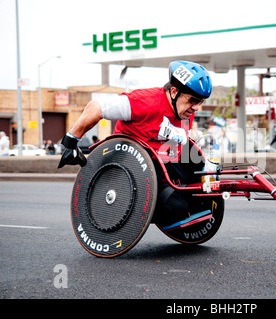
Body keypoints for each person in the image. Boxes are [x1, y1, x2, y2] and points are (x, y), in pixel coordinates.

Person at [57, 60, 212, 224]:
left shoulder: (185, 111)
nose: (196, 107)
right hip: (129, 163)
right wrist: (71, 141)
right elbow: (95, 108)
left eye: (200, 101)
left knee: (199, 177)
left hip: (161, 158)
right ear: (174, 92)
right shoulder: (145, 102)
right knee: (176, 206)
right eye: (193, 100)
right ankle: (146, 211)